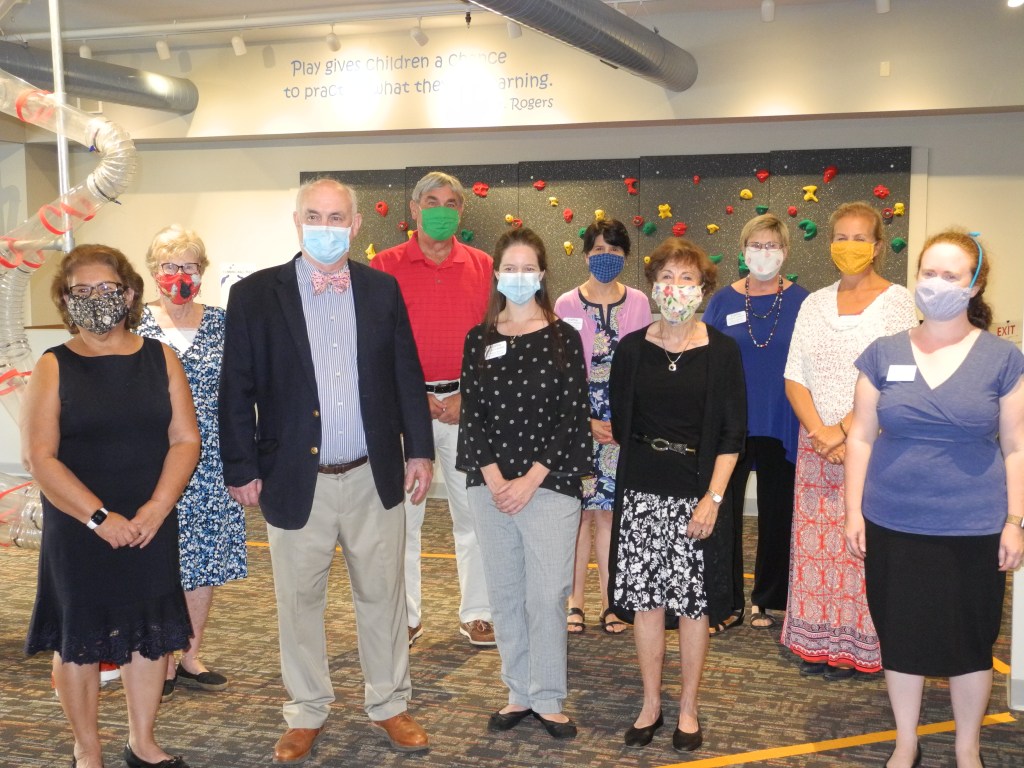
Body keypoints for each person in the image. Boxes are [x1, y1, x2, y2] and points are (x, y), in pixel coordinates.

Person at [218, 178, 435, 760]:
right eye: (314, 215)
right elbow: (234, 390)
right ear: (296, 220)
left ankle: (389, 703)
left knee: (382, 596)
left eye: (337, 217)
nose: (326, 225)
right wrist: (240, 466)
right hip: (293, 477)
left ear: (356, 226)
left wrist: (420, 448)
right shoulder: (255, 295)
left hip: (373, 474)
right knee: (298, 601)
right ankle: (306, 710)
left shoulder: (382, 290)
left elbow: (405, 376)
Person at [845, 230, 1024, 768]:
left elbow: (1016, 445)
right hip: (893, 519)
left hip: (973, 524)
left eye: (951, 275)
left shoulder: (1002, 357)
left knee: (970, 639)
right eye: (929, 272)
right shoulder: (883, 353)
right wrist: (853, 511)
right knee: (901, 633)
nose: (937, 284)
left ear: (973, 286)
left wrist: (1016, 519)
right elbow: (859, 435)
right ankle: (907, 739)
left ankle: (967, 746)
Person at [23, 244, 201, 768]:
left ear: (128, 294)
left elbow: (185, 440)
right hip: (80, 525)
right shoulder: (54, 365)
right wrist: (98, 517)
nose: (96, 300)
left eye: (107, 290)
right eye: (82, 292)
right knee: (79, 639)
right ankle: (87, 748)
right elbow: (40, 456)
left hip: (150, 519)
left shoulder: (159, 356)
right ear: (66, 300)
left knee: (149, 634)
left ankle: (141, 742)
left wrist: (157, 508)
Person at [606, 237, 746, 752]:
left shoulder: (722, 352)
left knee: (693, 605)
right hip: (643, 489)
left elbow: (733, 434)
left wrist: (713, 498)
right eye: (666, 277)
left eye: (687, 279)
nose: (675, 288)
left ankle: (687, 705)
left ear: (703, 288)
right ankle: (650, 702)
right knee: (646, 603)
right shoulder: (632, 348)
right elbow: (622, 423)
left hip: (697, 494)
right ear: (652, 285)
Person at [457, 228, 591, 740]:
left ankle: (549, 697)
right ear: (496, 274)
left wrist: (530, 479)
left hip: (549, 484)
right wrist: (495, 479)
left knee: (548, 593)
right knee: (507, 592)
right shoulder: (479, 338)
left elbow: (572, 415)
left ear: (541, 274)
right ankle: (517, 691)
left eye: (526, 268)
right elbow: (473, 418)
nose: (518, 277)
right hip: (489, 486)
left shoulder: (563, 336)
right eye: (508, 268)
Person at [781, 201, 917, 680]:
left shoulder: (898, 301)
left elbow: (900, 378)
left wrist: (842, 429)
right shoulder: (814, 302)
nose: (850, 246)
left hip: (872, 442)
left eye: (861, 238)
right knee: (817, 546)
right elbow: (794, 375)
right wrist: (820, 432)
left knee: (861, 545)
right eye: (842, 237)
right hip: (815, 444)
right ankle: (818, 641)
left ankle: (861, 648)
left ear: (878, 245)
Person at [371, 171, 495, 648]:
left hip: (468, 404)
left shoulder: (484, 266)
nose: (442, 209)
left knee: (475, 513)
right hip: (405, 405)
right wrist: (412, 397)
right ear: (415, 209)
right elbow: (375, 343)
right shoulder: (385, 265)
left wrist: (470, 395)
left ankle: (479, 613)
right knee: (404, 517)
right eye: (432, 201)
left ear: (461, 211)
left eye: (451, 202)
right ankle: (405, 616)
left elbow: (496, 338)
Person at [136, 225, 247, 700]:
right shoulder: (133, 325)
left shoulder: (224, 323)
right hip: (149, 462)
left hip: (212, 463)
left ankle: (190, 655)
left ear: (201, 272)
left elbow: (244, 394)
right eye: (169, 266)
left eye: (189, 266)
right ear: (153, 271)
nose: (179, 275)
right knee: (156, 561)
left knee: (204, 561)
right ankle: (155, 658)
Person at [703, 213, 808, 632]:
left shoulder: (804, 301)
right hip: (732, 426)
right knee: (722, 515)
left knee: (778, 514)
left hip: (784, 423)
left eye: (772, 246)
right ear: (743, 250)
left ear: (785, 252)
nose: (763, 254)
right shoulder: (722, 302)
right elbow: (704, 360)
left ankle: (771, 599)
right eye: (756, 245)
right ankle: (724, 602)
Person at [554, 217, 652, 635]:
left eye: (613, 251)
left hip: (622, 425)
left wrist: (619, 422)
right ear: (585, 254)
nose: (605, 257)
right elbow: (557, 372)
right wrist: (586, 419)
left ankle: (614, 602)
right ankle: (574, 601)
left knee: (611, 515)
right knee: (577, 515)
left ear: (625, 256)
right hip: (576, 421)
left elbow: (645, 367)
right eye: (597, 250)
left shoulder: (640, 302)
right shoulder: (564, 305)